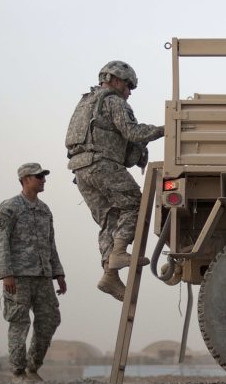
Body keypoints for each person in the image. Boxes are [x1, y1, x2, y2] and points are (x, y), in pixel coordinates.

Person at [66, 61, 164, 300]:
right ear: (115, 80)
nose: (129, 92)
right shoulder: (113, 101)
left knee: (110, 218)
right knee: (135, 204)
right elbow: (133, 132)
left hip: (80, 170)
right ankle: (119, 252)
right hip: (102, 165)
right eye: (128, 86)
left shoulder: (85, 103)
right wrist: (166, 129)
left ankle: (109, 275)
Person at [0, 162, 67, 381]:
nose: (43, 180)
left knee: (50, 319)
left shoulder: (45, 210)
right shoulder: (9, 207)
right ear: (25, 179)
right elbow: (0, 241)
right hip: (18, 277)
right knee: (19, 322)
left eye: (43, 176)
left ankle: (33, 368)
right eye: (39, 176)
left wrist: (58, 273)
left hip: (43, 277)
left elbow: (50, 243)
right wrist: (6, 273)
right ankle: (18, 371)